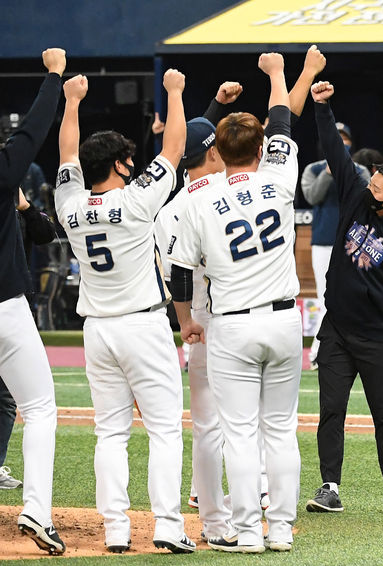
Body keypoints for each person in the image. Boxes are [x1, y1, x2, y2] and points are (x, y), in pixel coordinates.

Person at [169, 53, 303, 553]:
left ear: (218, 152)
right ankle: (282, 530)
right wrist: (275, 75)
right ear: (263, 147)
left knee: (240, 434)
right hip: (285, 319)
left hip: (230, 325)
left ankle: (248, 532)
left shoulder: (200, 200)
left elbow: (181, 271)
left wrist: (186, 322)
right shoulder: (281, 176)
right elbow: (284, 119)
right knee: (281, 432)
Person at [55, 69, 193, 553]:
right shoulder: (136, 201)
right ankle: (168, 526)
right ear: (119, 164)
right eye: (128, 159)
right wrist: (174, 92)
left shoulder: (68, 204)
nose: (134, 164)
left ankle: (115, 529)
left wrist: (70, 102)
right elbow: (174, 148)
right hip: (142, 322)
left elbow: (67, 153)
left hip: (97, 329)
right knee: (163, 430)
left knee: (110, 434)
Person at [305, 77, 383, 516]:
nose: (369, 189)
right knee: (330, 412)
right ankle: (329, 487)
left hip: (379, 337)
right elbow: (335, 154)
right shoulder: (357, 199)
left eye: (377, 188)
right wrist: (322, 107)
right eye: (371, 182)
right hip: (337, 329)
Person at [0, 48, 66, 556]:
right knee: (39, 407)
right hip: (4, 307)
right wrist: (54, 75)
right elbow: (33, 130)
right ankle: (36, 510)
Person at [154, 116, 234, 541]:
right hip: (238, 315)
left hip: (197, 322)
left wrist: (185, 321)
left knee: (206, 425)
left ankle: (212, 519)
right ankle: (255, 506)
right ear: (213, 152)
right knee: (250, 421)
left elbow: (174, 276)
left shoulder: (168, 209)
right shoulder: (232, 192)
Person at [0, 188, 58, 491]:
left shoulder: (17, 209)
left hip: (14, 310)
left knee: (6, 397)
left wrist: (25, 204)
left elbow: (46, 233)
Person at [303, 139, 371, 368]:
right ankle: (319, 353)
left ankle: (349, 352)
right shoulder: (313, 168)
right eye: (336, 138)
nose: (340, 143)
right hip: (323, 241)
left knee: (353, 297)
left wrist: (345, 171)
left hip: (352, 241)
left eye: (345, 140)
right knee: (326, 298)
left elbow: (366, 199)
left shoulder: (359, 170)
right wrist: (328, 173)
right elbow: (312, 196)